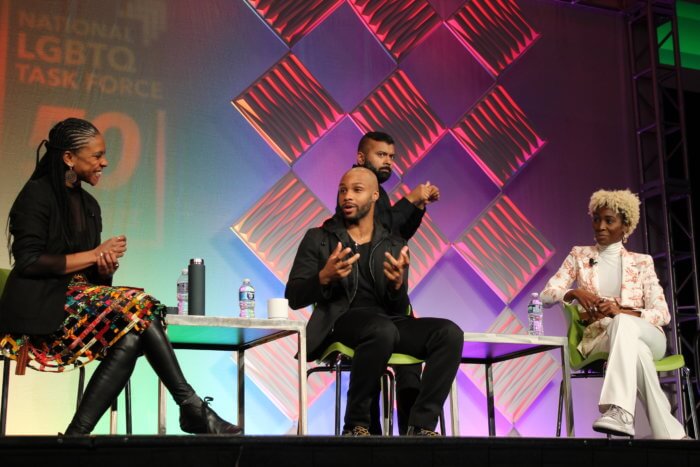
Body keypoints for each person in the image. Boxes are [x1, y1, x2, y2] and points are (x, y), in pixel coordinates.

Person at [0, 118, 241, 436]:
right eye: (96, 155)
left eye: (104, 154)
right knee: (143, 305)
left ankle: (76, 434)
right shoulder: (37, 194)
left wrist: (103, 270)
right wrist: (94, 253)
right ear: (69, 158)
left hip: (78, 308)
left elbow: (94, 287)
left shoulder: (90, 206)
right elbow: (28, 262)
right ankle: (191, 406)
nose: (105, 162)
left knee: (131, 332)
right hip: (41, 311)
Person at [286, 166, 462, 436]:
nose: (347, 196)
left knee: (449, 333)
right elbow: (294, 295)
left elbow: (397, 307)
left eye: (357, 190)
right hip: (341, 321)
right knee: (381, 330)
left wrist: (396, 286)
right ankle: (356, 424)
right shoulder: (319, 238)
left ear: (375, 196)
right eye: (343, 190)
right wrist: (323, 277)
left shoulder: (393, 242)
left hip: (388, 322)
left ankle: (421, 425)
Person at [540, 189, 688, 439]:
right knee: (635, 349)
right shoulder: (579, 255)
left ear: (625, 226)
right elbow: (546, 295)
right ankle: (672, 435)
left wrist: (623, 311)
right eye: (596, 219)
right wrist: (574, 294)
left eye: (609, 220)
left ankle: (619, 409)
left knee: (623, 323)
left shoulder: (642, 262)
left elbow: (662, 313)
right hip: (601, 337)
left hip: (650, 336)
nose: (601, 226)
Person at [341, 131, 441, 435]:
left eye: (392, 156)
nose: (388, 161)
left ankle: (415, 428)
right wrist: (411, 199)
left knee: (413, 357)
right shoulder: (358, 195)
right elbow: (380, 230)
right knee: (378, 342)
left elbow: (396, 235)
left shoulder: (381, 197)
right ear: (361, 158)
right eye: (381, 155)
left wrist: (418, 207)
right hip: (361, 308)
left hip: (390, 299)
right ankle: (365, 431)